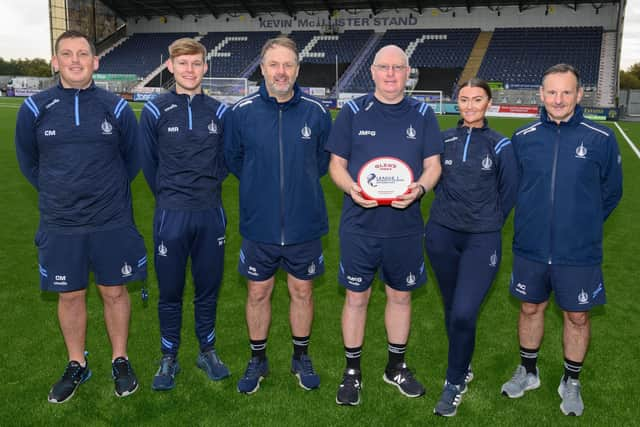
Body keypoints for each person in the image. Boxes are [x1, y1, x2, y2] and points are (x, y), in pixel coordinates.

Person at [14, 30, 146, 403]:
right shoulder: (35, 108)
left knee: (114, 291)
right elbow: (29, 163)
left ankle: (120, 359)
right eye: (67, 54)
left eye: (83, 54)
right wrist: (60, 190)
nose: (75, 60)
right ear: (55, 62)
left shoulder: (115, 107)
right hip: (61, 221)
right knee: (70, 295)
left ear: (95, 62)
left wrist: (104, 191)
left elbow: (133, 160)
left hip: (111, 218)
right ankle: (77, 363)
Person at [500, 64, 623, 416]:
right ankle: (528, 370)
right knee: (529, 307)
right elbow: (514, 189)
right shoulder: (522, 138)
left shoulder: (600, 138)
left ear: (579, 95)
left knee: (578, 317)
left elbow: (612, 192)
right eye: (552, 92)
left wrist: (581, 224)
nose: (558, 99)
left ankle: (571, 380)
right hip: (531, 247)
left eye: (566, 92)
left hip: (578, 252)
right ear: (541, 94)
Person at [326, 45, 442, 406]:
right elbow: (336, 164)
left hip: (405, 227)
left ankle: (396, 366)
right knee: (356, 297)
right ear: (372, 72)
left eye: (398, 68)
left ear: (408, 73)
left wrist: (421, 188)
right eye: (384, 67)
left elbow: (434, 165)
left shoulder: (423, 114)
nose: (391, 74)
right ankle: (352, 372)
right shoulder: (352, 111)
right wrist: (352, 189)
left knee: (400, 296)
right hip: (359, 225)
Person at [224, 36, 332, 394]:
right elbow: (235, 161)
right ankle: (258, 358)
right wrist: (263, 190)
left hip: (304, 223)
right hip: (260, 224)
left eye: (288, 65)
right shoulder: (241, 113)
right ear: (262, 68)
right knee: (258, 292)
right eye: (274, 64)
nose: (281, 72)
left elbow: (320, 163)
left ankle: (300, 356)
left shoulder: (317, 113)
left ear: (297, 69)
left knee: (302, 291)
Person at [139, 38, 231, 391]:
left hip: (210, 213)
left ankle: (207, 350)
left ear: (205, 67)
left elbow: (225, 162)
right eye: (183, 64)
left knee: (208, 289)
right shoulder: (154, 110)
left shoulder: (221, 113)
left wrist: (202, 189)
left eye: (196, 63)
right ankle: (168, 356)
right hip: (170, 215)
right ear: (170, 68)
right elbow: (148, 163)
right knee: (171, 291)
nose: (189, 70)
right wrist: (172, 194)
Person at [425, 78, 518, 416]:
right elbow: (434, 181)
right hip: (441, 236)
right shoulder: (443, 139)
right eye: (463, 99)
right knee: (452, 309)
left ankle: (454, 382)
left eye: (477, 99)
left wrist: (486, 220)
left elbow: (508, 192)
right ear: (456, 103)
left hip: (483, 238)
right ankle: (462, 366)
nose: (469, 105)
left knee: (464, 311)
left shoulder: (501, 144)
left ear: (488, 103)